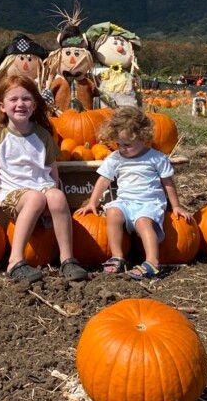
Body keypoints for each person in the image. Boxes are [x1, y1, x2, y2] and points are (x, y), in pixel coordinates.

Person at [0, 77, 89, 284]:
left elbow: (53, 173)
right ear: (2, 106)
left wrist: (52, 195)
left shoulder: (43, 134)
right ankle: (15, 261)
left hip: (41, 190)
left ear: (34, 105)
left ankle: (67, 259)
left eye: (26, 99)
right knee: (35, 198)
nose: (20, 104)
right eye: (13, 99)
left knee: (58, 196)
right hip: (14, 196)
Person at [76, 107, 193, 280]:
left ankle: (152, 262)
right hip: (125, 201)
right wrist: (92, 202)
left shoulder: (157, 158)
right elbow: (103, 180)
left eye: (127, 145)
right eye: (119, 144)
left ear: (143, 138)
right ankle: (118, 256)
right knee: (113, 213)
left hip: (149, 203)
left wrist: (175, 205)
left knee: (143, 223)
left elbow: (168, 183)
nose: (123, 149)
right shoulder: (116, 158)